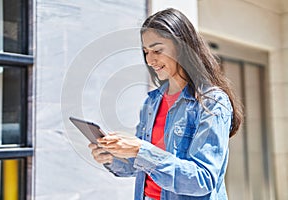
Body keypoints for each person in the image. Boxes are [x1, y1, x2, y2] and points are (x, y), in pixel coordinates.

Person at [88, 8, 243, 200]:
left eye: (157, 50)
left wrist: (140, 149)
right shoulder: (152, 102)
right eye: (146, 51)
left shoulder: (211, 102)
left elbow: (203, 180)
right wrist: (112, 157)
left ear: (182, 47)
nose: (150, 60)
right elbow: (141, 167)